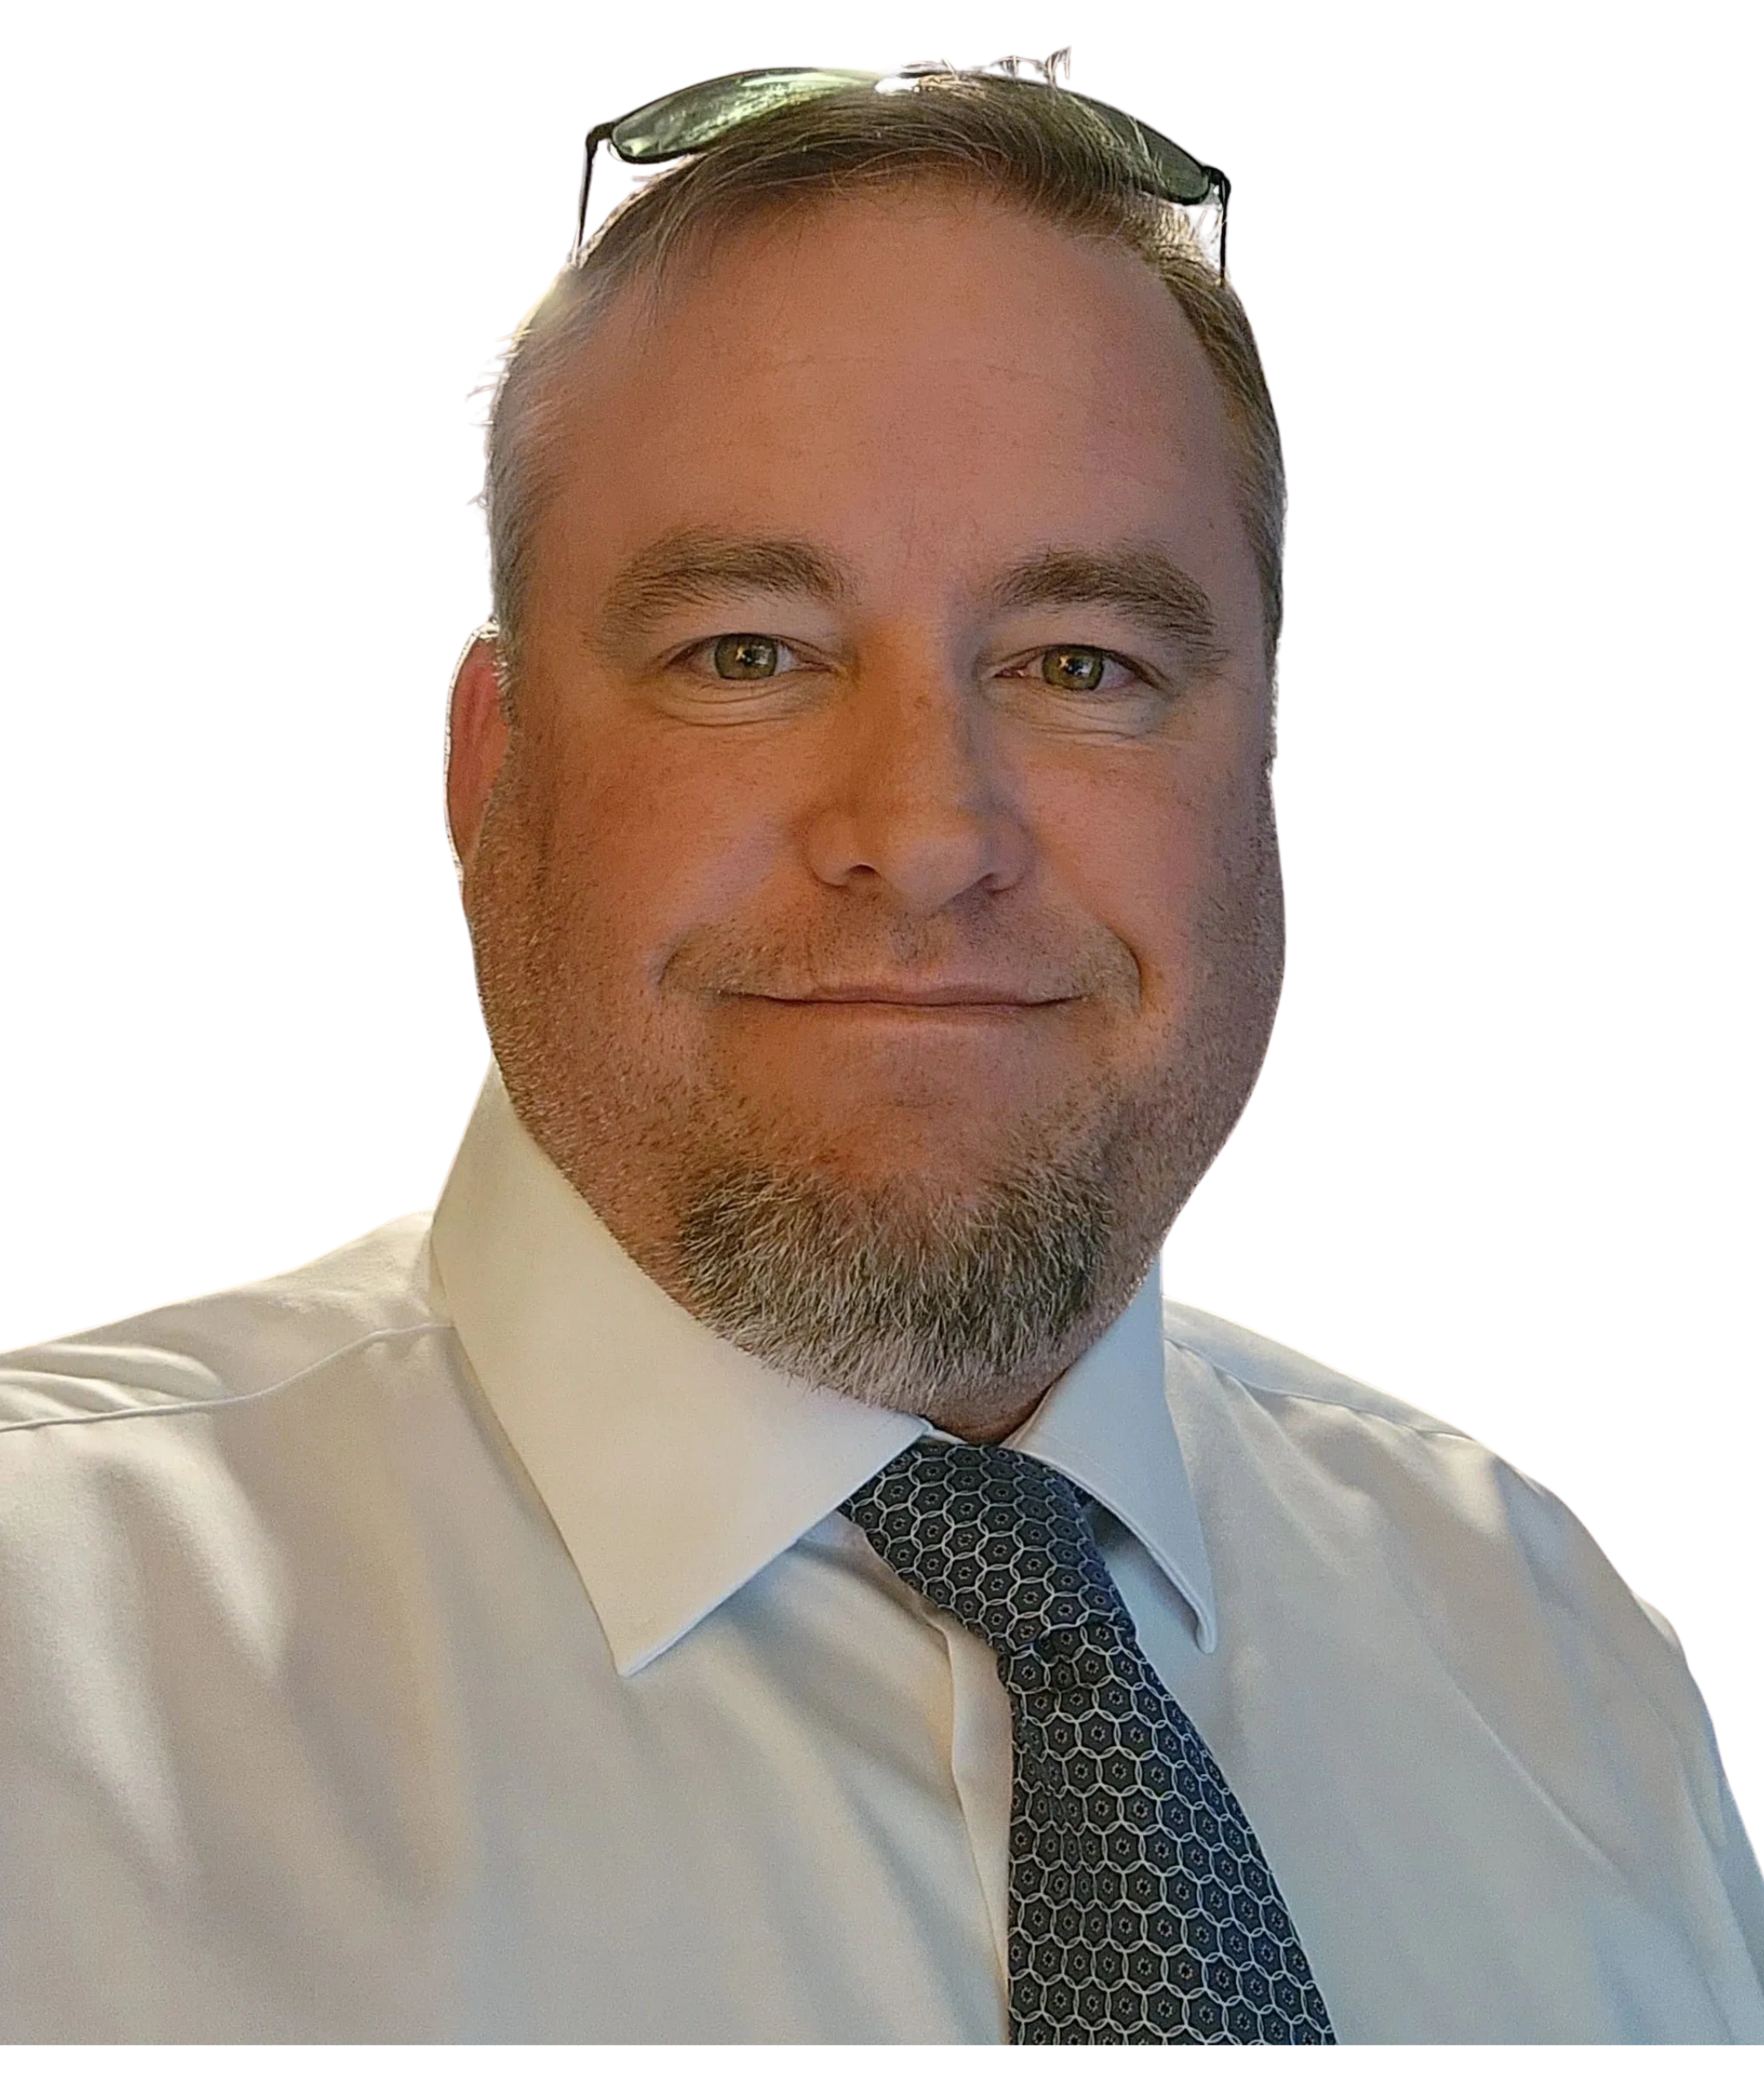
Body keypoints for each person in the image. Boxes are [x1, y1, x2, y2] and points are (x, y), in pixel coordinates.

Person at [2, 52, 1760, 2050]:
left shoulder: (1551, 1651)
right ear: (491, 774)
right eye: (745, 650)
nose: (927, 832)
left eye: (1082, 664)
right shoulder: (39, 1672)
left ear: (1261, 783)